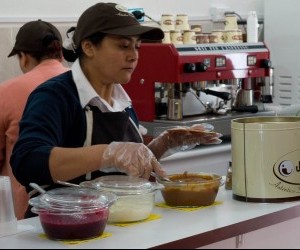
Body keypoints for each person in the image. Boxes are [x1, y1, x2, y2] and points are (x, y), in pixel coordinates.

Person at [10, 2, 222, 219]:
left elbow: (122, 169)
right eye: (123, 45)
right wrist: (107, 153)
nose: (134, 56)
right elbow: (27, 161)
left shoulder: (121, 99)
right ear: (88, 47)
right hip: (63, 227)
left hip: (114, 222)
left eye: (137, 46)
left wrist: (163, 144)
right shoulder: (55, 96)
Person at [0, 20, 69, 219]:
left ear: (24, 57)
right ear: (61, 54)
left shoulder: (6, 91)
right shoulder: (81, 88)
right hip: (80, 207)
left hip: (27, 212)